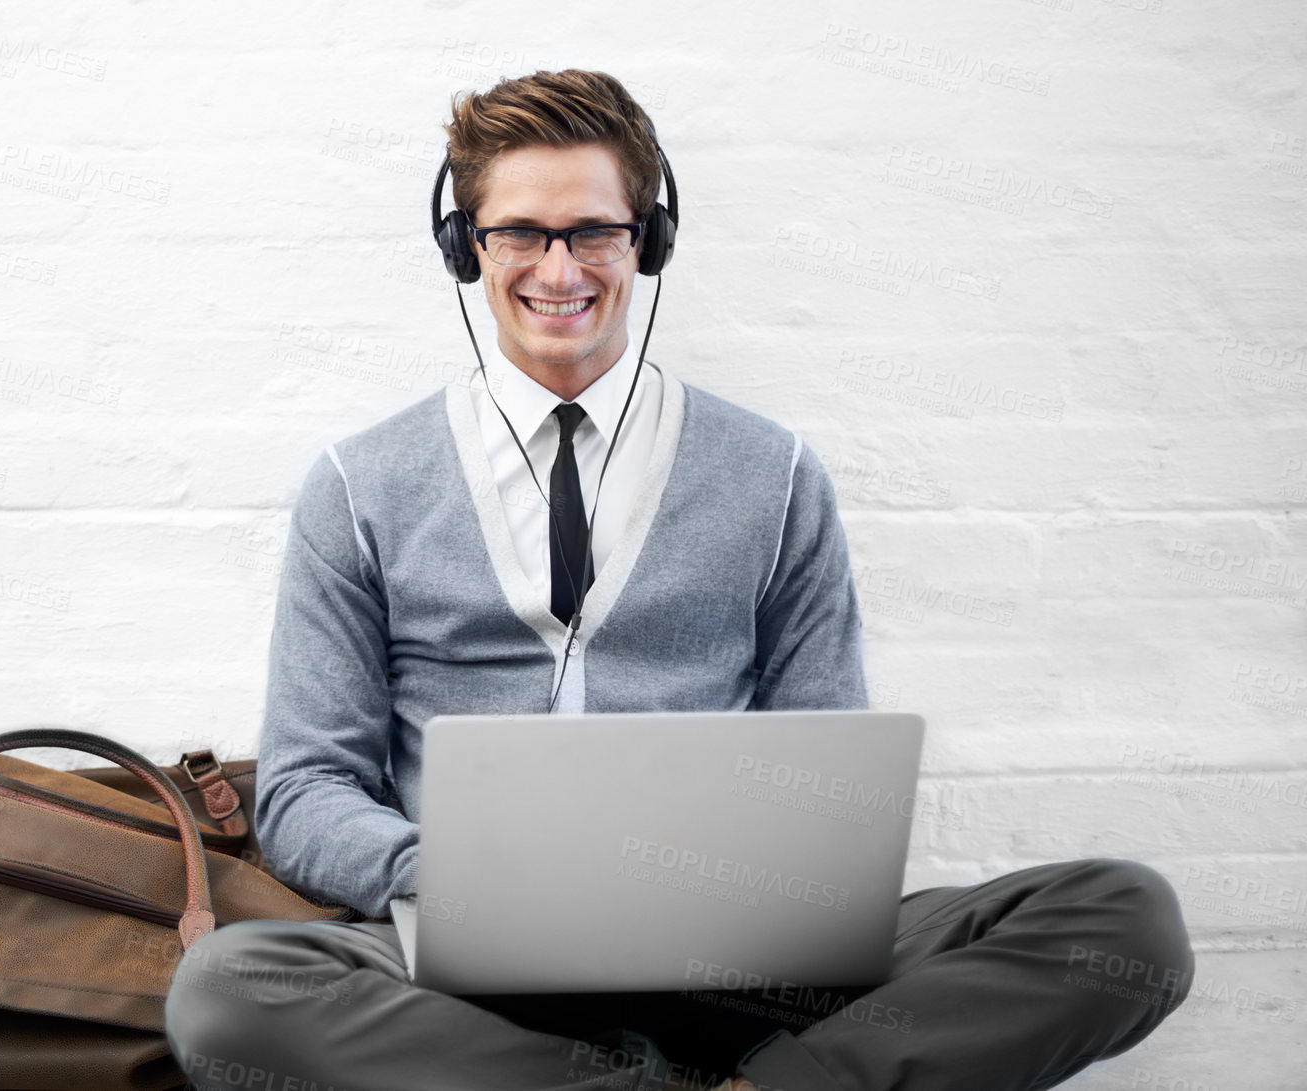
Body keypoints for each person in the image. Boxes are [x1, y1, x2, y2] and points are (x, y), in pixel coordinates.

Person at [164, 69, 1192, 1091]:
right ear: (463, 246)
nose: (557, 266)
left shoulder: (772, 473)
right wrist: (449, 875)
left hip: (737, 958)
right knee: (228, 991)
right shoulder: (359, 485)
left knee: (1123, 918)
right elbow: (303, 792)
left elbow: (827, 763)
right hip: (467, 970)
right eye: (518, 231)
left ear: (645, 240)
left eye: (592, 231)